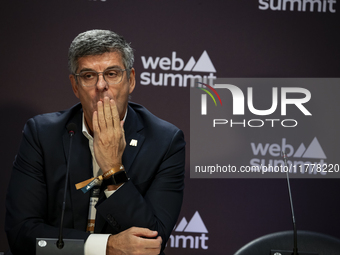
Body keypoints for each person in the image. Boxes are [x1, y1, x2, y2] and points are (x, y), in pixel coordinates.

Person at [5, 29, 185, 255]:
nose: (101, 85)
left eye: (111, 73)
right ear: (74, 86)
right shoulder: (42, 134)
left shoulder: (165, 142)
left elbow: (149, 245)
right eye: (89, 76)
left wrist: (113, 170)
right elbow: (21, 233)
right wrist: (105, 247)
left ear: (130, 80)